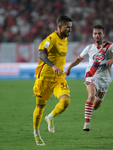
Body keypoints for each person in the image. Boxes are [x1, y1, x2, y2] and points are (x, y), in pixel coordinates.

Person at [64, 24, 113, 132]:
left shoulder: (110, 46)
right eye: (95, 33)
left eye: (99, 33)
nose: (97, 35)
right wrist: (69, 68)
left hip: (105, 79)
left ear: (103, 34)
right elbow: (79, 59)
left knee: (96, 106)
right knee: (91, 95)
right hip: (91, 76)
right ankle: (86, 125)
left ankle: (89, 110)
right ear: (92, 35)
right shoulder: (89, 48)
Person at [33, 15, 73, 145]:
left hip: (58, 78)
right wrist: (53, 65)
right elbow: (41, 54)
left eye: (71, 27)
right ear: (60, 27)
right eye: (68, 27)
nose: (70, 30)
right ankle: (36, 133)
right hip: (44, 78)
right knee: (40, 106)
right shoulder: (51, 39)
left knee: (66, 101)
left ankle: (50, 117)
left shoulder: (65, 40)